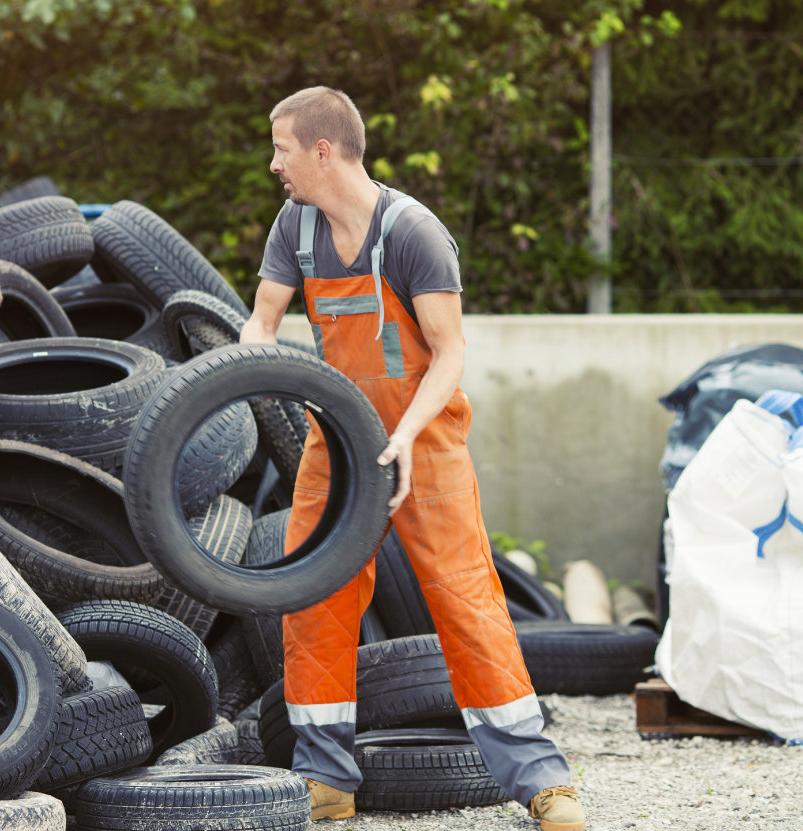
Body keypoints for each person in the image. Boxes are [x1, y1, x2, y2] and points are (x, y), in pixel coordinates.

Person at [239, 86, 586, 831]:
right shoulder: (295, 227)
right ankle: (326, 779)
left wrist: (402, 436)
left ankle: (540, 780)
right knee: (312, 597)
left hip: (422, 444)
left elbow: (451, 351)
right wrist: (237, 379)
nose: (275, 164)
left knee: (465, 600)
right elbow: (261, 323)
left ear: (323, 150)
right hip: (336, 447)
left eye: (282, 148)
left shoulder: (412, 231)